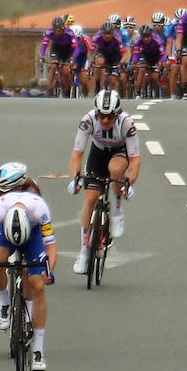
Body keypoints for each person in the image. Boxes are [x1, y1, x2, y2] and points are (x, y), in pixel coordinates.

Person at [0, 163, 57, 371]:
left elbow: (50, 245)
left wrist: (48, 270)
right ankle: (5, 304)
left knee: (37, 285)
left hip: (33, 237)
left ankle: (38, 350)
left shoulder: (38, 207)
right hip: (6, 234)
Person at [67, 90, 140, 274]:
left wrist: (128, 183)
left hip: (119, 152)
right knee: (90, 199)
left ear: (118, 113)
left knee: (115, 170)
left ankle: (116, 208)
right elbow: (77, 154)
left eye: (110, 117)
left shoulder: (127, 124)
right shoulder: (88, 121)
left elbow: (135, 160)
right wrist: (75, 178)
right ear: (96, 113)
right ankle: (84, 252)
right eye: (101, 116)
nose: (105, 121)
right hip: (98, 153)